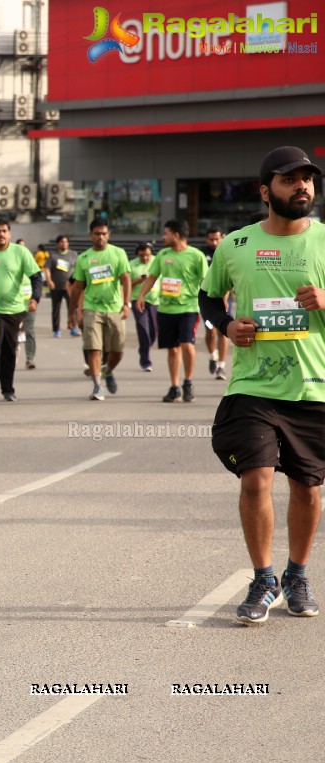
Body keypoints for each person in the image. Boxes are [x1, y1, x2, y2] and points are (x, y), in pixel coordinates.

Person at [200, 145, 325, 624]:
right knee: (256, 478)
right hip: (253, 385)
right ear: (265, 190)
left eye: (308, 179)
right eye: (290, 179)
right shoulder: (236, 245)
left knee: (308, 489)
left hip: (313, 385)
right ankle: (263, 577)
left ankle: (297, 573)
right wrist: (227, 326)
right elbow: (209, 298)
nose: (303, 186)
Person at [134, 219, 209, 402]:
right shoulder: (163, 255)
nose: (163, 237)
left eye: (166, 233)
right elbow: (152, 277)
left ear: (176, 235)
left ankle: (188, 382)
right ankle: (174, 386)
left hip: (188, 308)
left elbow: (207, 281)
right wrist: (141, 295)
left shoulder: (196, 256)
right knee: (172, 350)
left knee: (187, 345)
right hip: (166, 309)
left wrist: (210, 303)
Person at [70, 219, 131, 400]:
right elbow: (77, 287)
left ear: (108, 235)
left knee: (118, 350)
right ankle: (97, 386)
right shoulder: (83, 258)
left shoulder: (118, 254)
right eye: (97, 234)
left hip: (115, 309)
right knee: (94, 348)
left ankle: (108, 371)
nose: (101, 237)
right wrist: (73, 311)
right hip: (91, 308)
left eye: (104, 234)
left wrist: (126, 304)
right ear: (91, 235)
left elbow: (126, 279)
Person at [0, 218, 41, 403]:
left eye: (4, 231)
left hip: (15, 310)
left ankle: (8, 389)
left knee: (9, 349)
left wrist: (35, 298)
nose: (1, 234)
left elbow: (36, 277)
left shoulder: (20, 252)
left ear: (9, 234)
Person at [202, 226, 230, 379]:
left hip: (224, 298)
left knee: (222, 331)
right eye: (211, 239)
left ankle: (221, 365)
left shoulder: (227, 252)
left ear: (222, 238)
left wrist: (225, 299)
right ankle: (213, 355)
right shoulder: (202, 254)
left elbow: (228, 278)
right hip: (208, 298)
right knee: (210, 332)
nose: (213, 242)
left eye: (216, 239)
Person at [128, 242, 159, 371]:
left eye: (147, 255)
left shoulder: (158, 261)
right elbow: (126, 283)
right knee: (142, 329)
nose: (145, 258)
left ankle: (143, 347)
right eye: (141, 256)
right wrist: (139, 281)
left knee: (153, 332)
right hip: (138, 300)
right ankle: (145, 361)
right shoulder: (132, 265)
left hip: (155, 300)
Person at [44, 235, 79, 336]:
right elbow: (47, 269)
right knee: (56, 308)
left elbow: (78, 268)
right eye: (62, 242)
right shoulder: (53, 256)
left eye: (66, 242)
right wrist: (49, 280)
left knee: (72, 308)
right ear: (57, 244)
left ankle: (73, 328)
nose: (64, 244)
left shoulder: (73, 255)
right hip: (56, 286)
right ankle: (56, 330)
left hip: (70, 287)